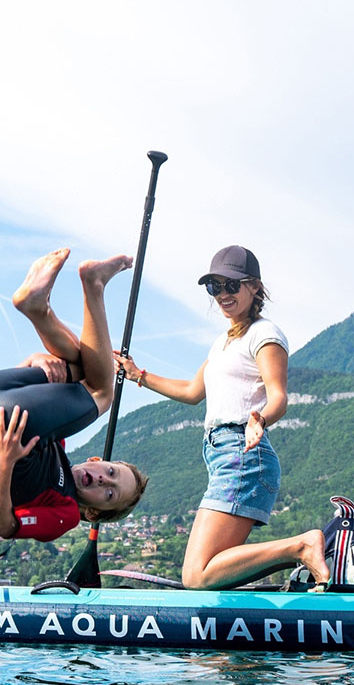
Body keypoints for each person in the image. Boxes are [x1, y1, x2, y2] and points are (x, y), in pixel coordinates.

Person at [116, 245, 329, 590]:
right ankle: (294, 560)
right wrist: (138, 374)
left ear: (255, 287)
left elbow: (279, 398)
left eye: (231, 285)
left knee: (197, 576)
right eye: (215, 287)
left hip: (241, 453)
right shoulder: (223, 343)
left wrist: (259, 420)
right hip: (221, 456)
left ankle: (301, 546)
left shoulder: (265, 334)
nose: (222, 295)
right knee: (206, 573)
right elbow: (191, 392)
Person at [0, 249, 147, 542]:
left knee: (102, 393)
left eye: (110, 493)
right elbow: (35, 393)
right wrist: (34, 360)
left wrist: (4, 464)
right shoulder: (58, 443)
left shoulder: (67, 513)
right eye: (110, 471)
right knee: (84, 372)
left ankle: (84, 290)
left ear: (94, 513)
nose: (101, 479)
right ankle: (37, 306)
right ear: (95, 459)